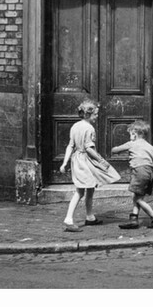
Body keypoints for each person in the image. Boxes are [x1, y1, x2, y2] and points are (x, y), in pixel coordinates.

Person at [59, 99, 121, 232]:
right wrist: (101, 160)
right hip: (85, 161)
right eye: (95, 114)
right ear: (87, 114)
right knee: (80, 191)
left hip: (77, 160)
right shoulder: (89, 128)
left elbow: (70, 146)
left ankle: (90, 217)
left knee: (90, 188)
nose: (97, 117)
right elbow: (89, 149)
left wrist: (65, 162)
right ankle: (68, 219)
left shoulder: (75, 126)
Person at [111, 120, 153, 229]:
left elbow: (114, 150)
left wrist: (114, 148)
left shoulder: (132, 144)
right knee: (137, 196)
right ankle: (134, 219)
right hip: (149, 173)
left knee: (139, 199)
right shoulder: (150, 147)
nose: (130, 136)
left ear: (134, 134)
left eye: (130, 134)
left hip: (139, 172)